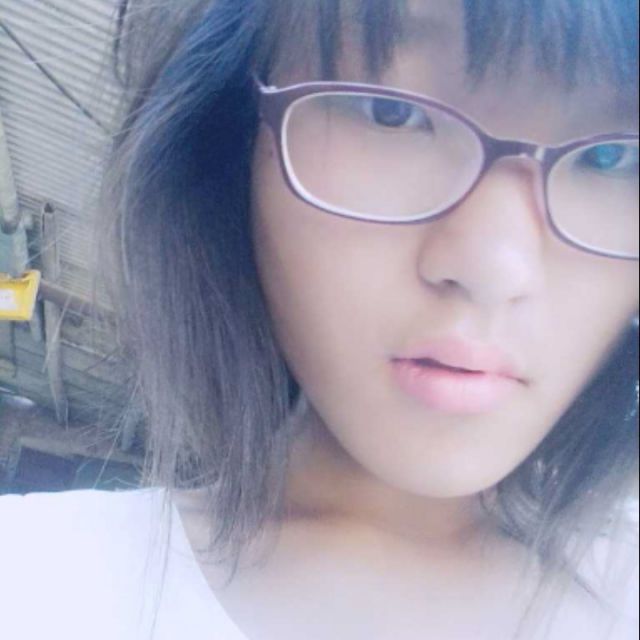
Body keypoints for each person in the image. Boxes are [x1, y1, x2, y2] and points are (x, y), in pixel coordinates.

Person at [1, 1, 638, 638]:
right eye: (390, 113)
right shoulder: (35, 582)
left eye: (611, 157)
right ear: (232, 144)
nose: (493, 269)